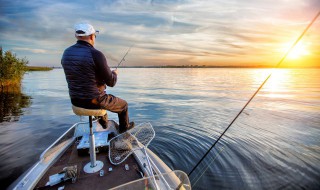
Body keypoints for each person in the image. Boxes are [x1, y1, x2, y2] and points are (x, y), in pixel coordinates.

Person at [61, 23, 134, 133]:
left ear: (77, 36)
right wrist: (114, 73)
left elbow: (82, 74)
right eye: (95, 36)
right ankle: (124, 132)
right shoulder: (96, 54)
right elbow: (111, 82)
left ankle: (104, 122)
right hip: (94, 101)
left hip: (75, 101)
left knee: (101, 96)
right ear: (91, 36)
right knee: (123, 105)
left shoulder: (66, 53)